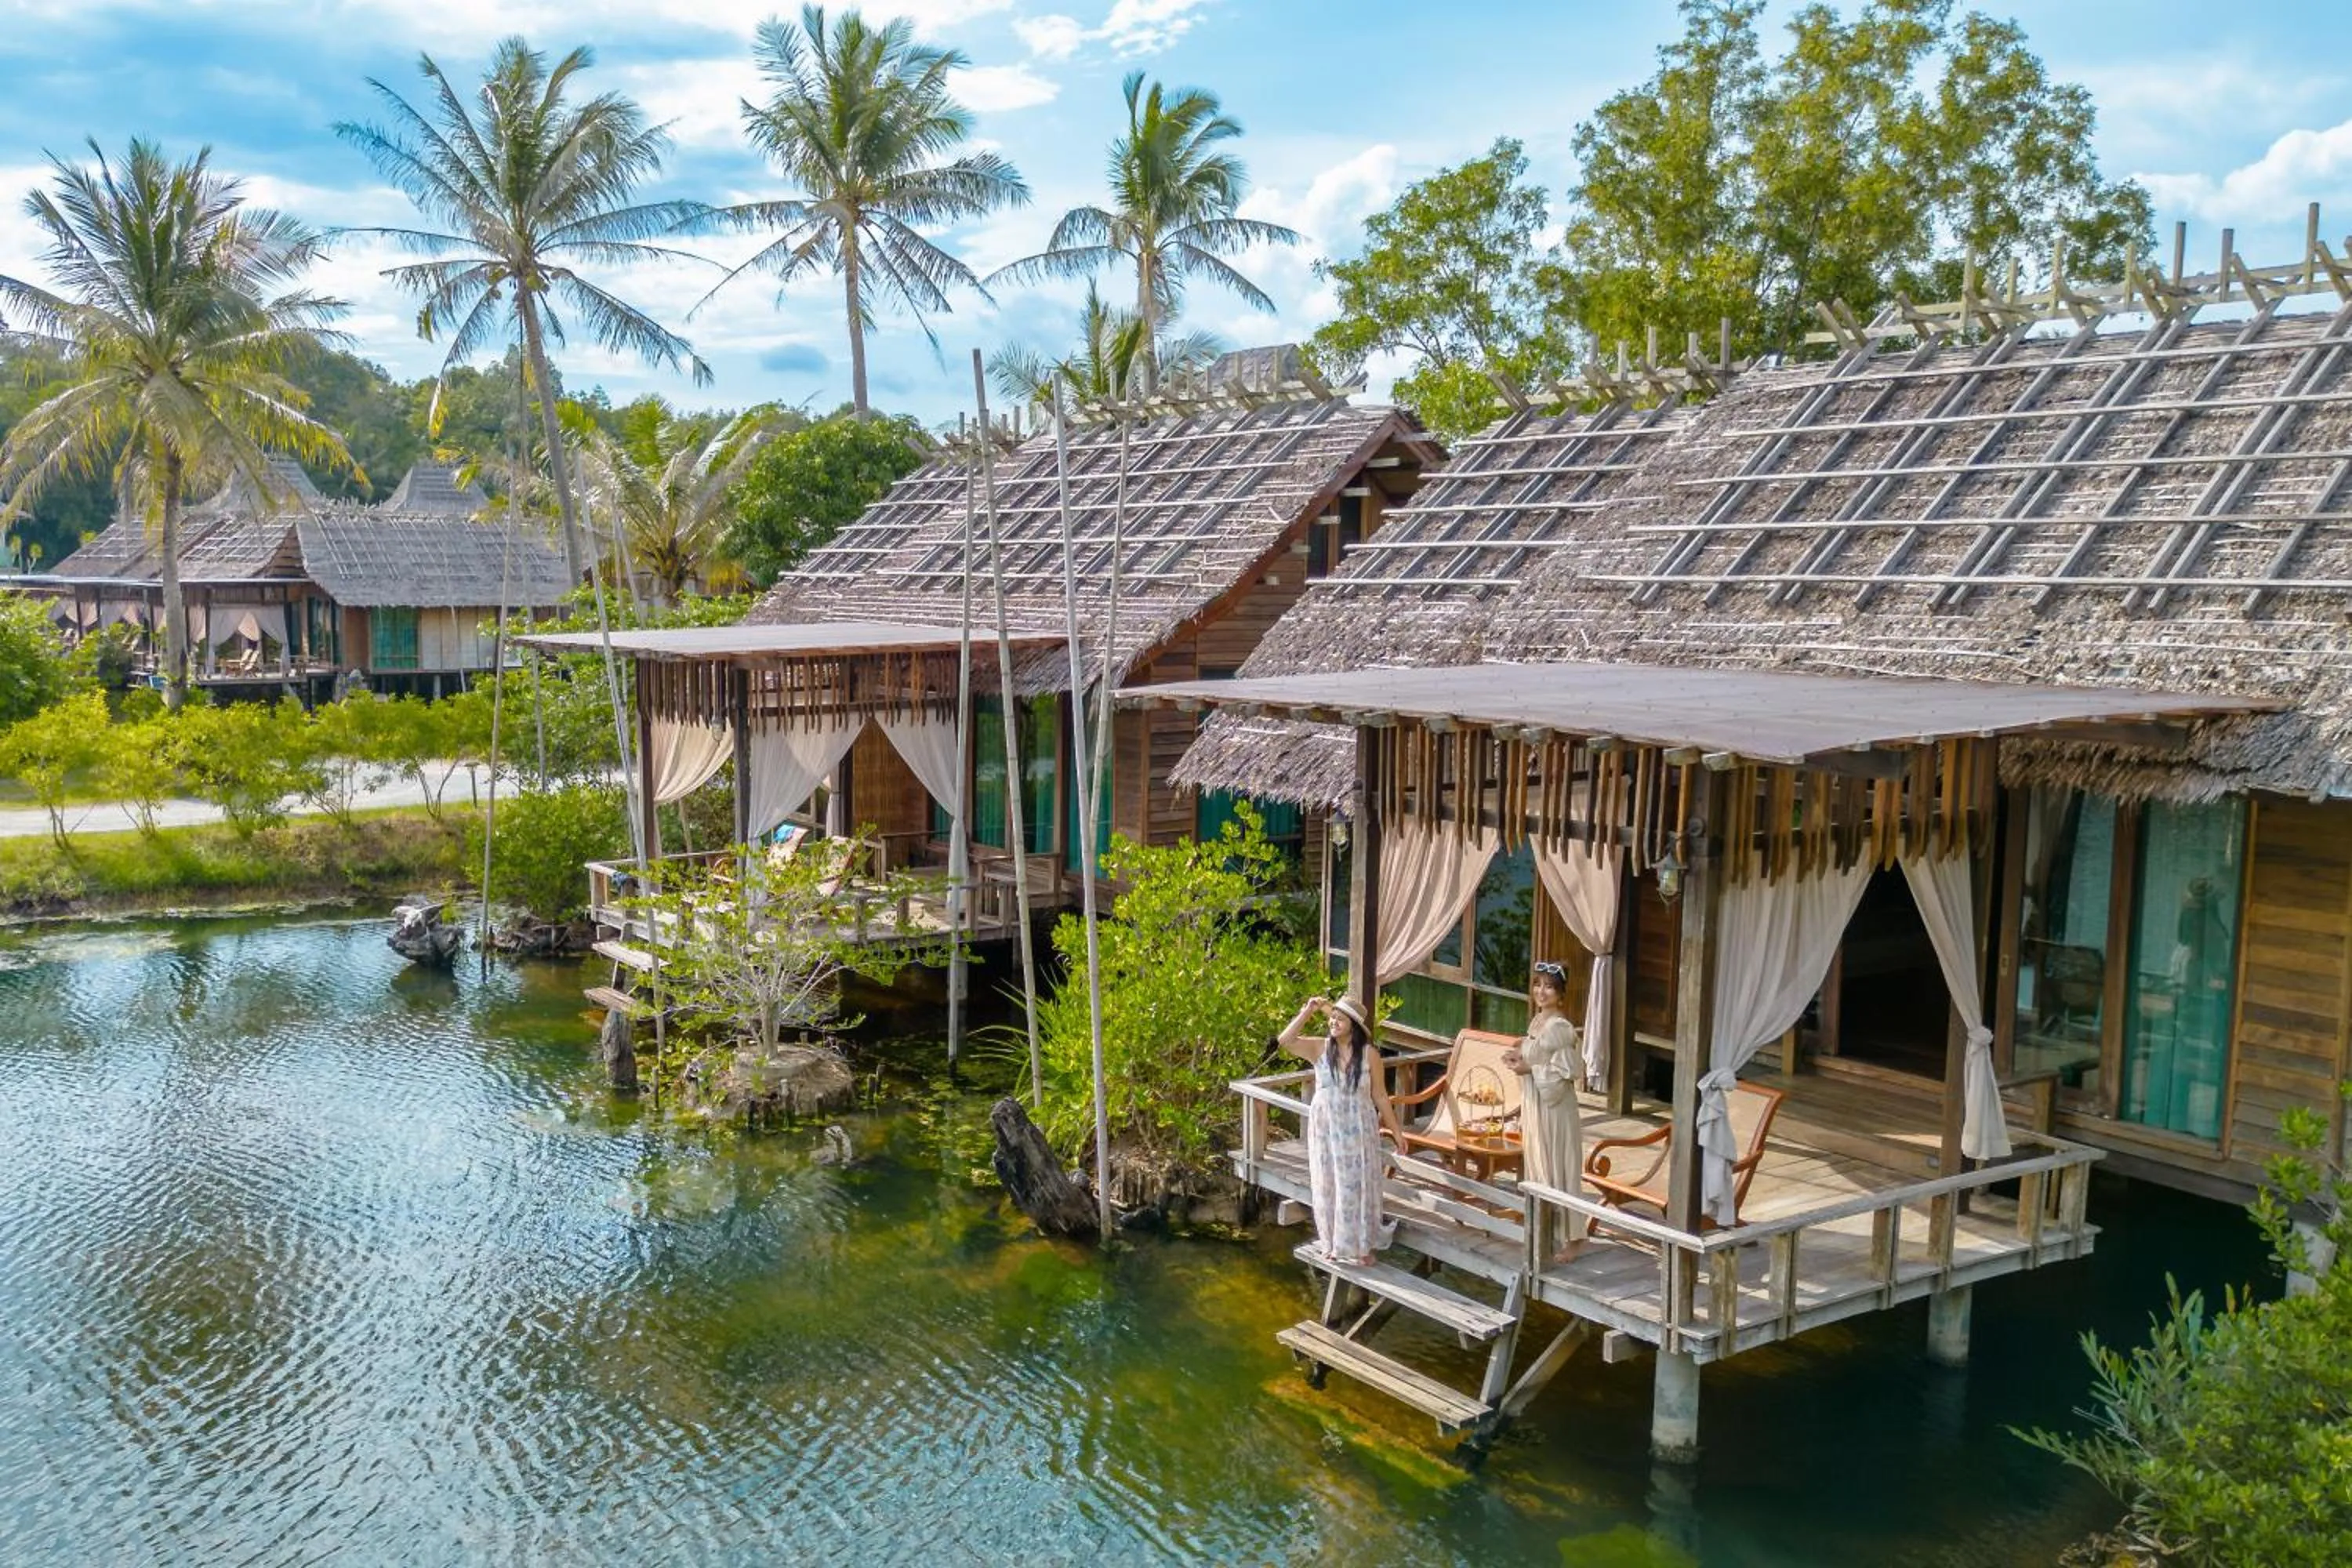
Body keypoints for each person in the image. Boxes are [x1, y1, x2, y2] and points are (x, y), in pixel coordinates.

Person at [1278, 993, 1391, 1266]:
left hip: (1358, 1128)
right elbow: (1285, 1041)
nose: (1333, 1022)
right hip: (1327, 1129)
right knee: (1328, 1183)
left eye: (1340, 1019)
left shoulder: (1369, 1055)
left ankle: (1362, 1246)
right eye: (1332, 1018)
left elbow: (1380, 1096)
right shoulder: (1320, 1048)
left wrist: (1396, 1131)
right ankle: (1332, 1243)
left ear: (1353, 1025)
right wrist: (1308, 1011)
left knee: (1356, 1185)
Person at [1504, 960, 1589, 1264]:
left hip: (1555, 1107)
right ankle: (1546, 1230)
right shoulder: (1538, 1022)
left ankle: (1575, 1238)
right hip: (1536, 1103)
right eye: (1538, 984)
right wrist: (1519, 1055)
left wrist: (1524, 1062)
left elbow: (1555, 1064)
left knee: (1560, 1168)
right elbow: (1535, 1054)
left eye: (1549, 986)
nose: (1542, 991)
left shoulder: (1560, 1027)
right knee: (1540, 1164)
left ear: (1561, 994)